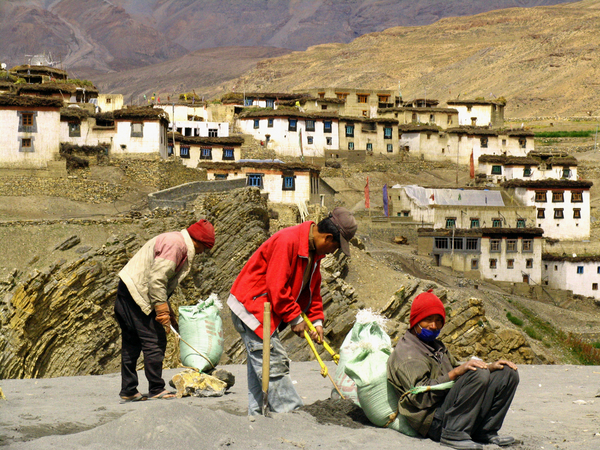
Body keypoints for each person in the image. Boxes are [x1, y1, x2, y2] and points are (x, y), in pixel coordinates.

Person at [228, 207, 357, 415]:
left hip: (266, 308)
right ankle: (292, 414)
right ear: (328, 237)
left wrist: (316, 322)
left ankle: (257, 417)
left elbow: (313, 291)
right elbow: (276, 288)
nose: (333, 252)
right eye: (335, 247)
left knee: (261, 368)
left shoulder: (314, 254)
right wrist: (295, 318)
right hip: (253, 307)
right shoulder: (287, 241)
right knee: (273, 363)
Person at [387, 290, 519, 450]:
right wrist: (457, 373)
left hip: (452, 410)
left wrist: (489, 367)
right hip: (433, 421)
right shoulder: (408, 354)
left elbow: (458, 370)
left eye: (438, 321)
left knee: (507, 373)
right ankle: (453, 434)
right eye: (427, 320)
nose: (434, 326)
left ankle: (486, 431)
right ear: (415, 321)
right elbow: (419, 397)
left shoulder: (436, 346)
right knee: (478, 374)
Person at [114, 219, 215, 403]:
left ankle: (128, 389)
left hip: (126, 291)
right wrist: (162, 311)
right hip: (139, 295)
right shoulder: (176, 246)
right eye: (204, 248)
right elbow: (157, 280)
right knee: (155, 340)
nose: (202, 253)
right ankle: (156, 388)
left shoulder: (174, 239)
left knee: (131, 342)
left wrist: (169, 312)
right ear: (198, 242)